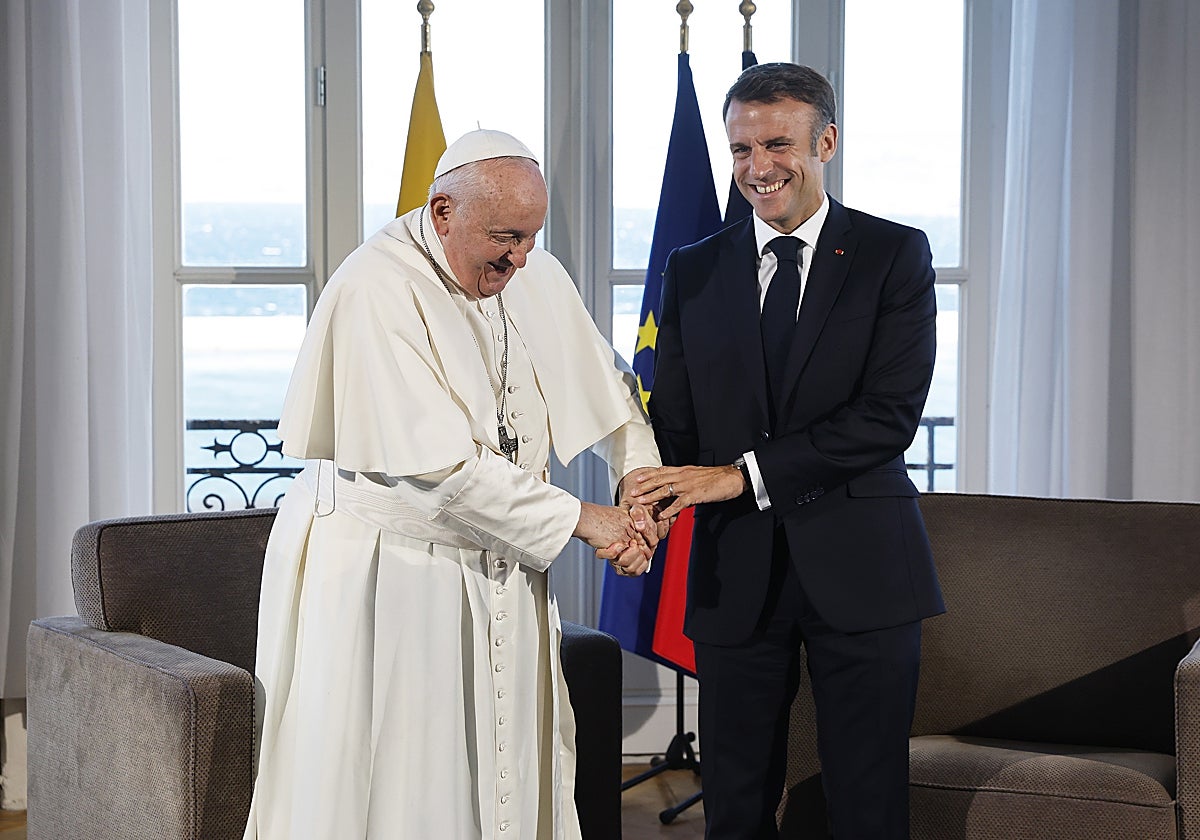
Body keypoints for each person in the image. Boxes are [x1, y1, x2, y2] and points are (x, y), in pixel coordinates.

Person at [243, 129, 662, 840]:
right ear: (443, 211)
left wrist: (639, 487)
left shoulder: (530, 269)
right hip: (389, 576)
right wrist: (591, 522)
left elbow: (609, 389)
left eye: (532, 237)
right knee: (403, 780)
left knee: (506, 776)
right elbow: (439, 473)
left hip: (499, 564)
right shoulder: (375, 287)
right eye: (506, 237)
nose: (521, 258)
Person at [630, 63, 946, 839]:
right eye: (740, 150)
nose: (756, 168)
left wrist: (739, 477)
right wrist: (640, 493)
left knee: (866, 803)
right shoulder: (693, 268)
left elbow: (886, 419)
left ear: (826, 142)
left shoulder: (892, 256)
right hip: (736, 574)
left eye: (777, 144)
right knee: (734, 805)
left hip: (864, 570)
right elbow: (674, 423)